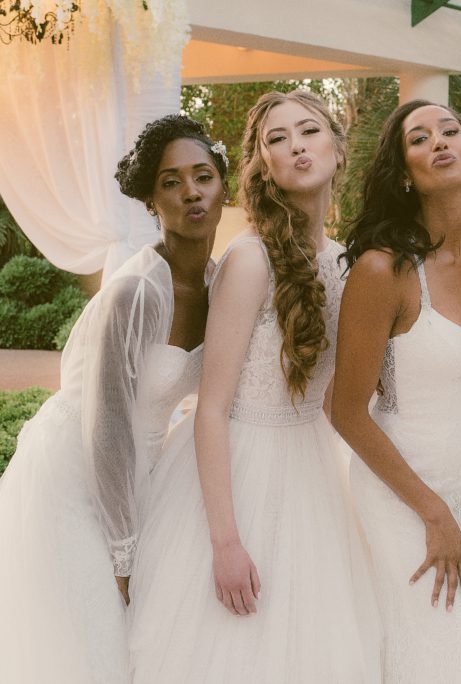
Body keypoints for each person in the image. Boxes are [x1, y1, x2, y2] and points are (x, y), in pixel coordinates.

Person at [127, 90, 380, 683]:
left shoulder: (347, 263)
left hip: (313, 473)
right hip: (236, 475)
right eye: (277, 139)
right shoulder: (250, 261)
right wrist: (225, 544)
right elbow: (210, 409)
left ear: (338, 149)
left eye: (309, 131)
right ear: (263, 164)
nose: (297, 147)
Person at [0, 114, 225, 683]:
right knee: (97, 641)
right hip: (77, 471)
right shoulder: (135, 290)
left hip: (141, 470)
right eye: (171, 182)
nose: (191, 192)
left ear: (224, 186)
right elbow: (108, 426)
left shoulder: (221, 282)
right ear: (152, 201)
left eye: (203, 176)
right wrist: (123, 553)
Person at [332, 99, 461, 683]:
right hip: (406, 492)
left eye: (449, 131)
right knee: (450, 658)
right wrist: (433, 512)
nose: (438, 141)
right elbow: (345, 411)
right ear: (404, 174)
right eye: (419, 138)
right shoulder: (384, 270)